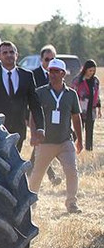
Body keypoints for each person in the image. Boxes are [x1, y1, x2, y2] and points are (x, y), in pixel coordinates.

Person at [29, 58, 84, 213]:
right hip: (45, 142)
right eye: (50, 71)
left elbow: (76, 117)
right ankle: (31, 202)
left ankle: (71, 203)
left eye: (55, 71)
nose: (52, 74)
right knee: (37, 174)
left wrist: (80, 139)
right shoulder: (40, 93)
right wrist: (33, 134)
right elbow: (34, 116)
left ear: (63, 74)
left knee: (72, 172)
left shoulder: (71, 94)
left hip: (65, 141)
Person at [0, 41, 45, 151]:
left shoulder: (27, 76)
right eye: (5, 53)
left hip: (18, 130)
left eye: (12, 52)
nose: (9, 55)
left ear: (16, 55)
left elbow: (35, 104)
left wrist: (40, 127)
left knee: (14, 164)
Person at [29, 44, 61, 185]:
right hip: (36, 117)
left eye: (53, 58)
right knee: (41, 145)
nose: (50, 62)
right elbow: (28, 98)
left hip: (53, 117)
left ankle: (28, 173)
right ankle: (51, 176)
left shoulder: (59, 74)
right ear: (41, 59)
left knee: (41, 147)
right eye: (47, 59)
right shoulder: (33, 75)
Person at [71, 59, 101, 151]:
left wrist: (99, 109)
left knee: (90, 131)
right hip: (80, 109)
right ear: (85, 69)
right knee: (77, 131)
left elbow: (97, 94)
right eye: (90, 70)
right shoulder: (77, 80)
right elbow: (72, 94)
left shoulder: (95, 81)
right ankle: (69, 146)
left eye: (93, 71)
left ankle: (89, 149)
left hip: (91, 110)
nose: (91, 73)